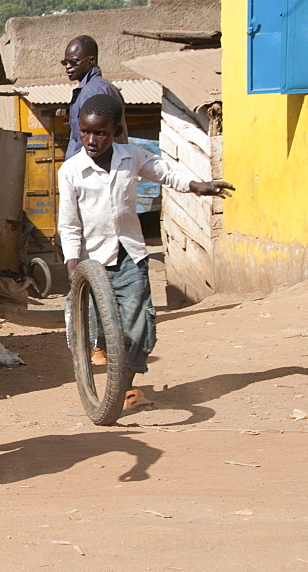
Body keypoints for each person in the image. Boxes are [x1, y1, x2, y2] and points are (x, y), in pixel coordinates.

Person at [57, 94, 234, 409]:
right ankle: (105, 370)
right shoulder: (71, 171)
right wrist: (73, 265)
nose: (92, 139)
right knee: (98, 326)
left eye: (101, 133)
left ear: (116, 131)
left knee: (140, 328)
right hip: (92, 260)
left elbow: (165, 172)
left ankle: (124, 389)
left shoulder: (132, 156)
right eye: (85, 132)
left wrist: (196, 185)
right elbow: (69, 224)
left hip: (131, 254)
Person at [62, 35, 127, 160]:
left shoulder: (91, 92)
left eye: (73, 62)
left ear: (91, 61)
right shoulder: (105, 87)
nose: (68, 67)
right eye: (65, 62)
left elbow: (94, 141)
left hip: (93, 170)